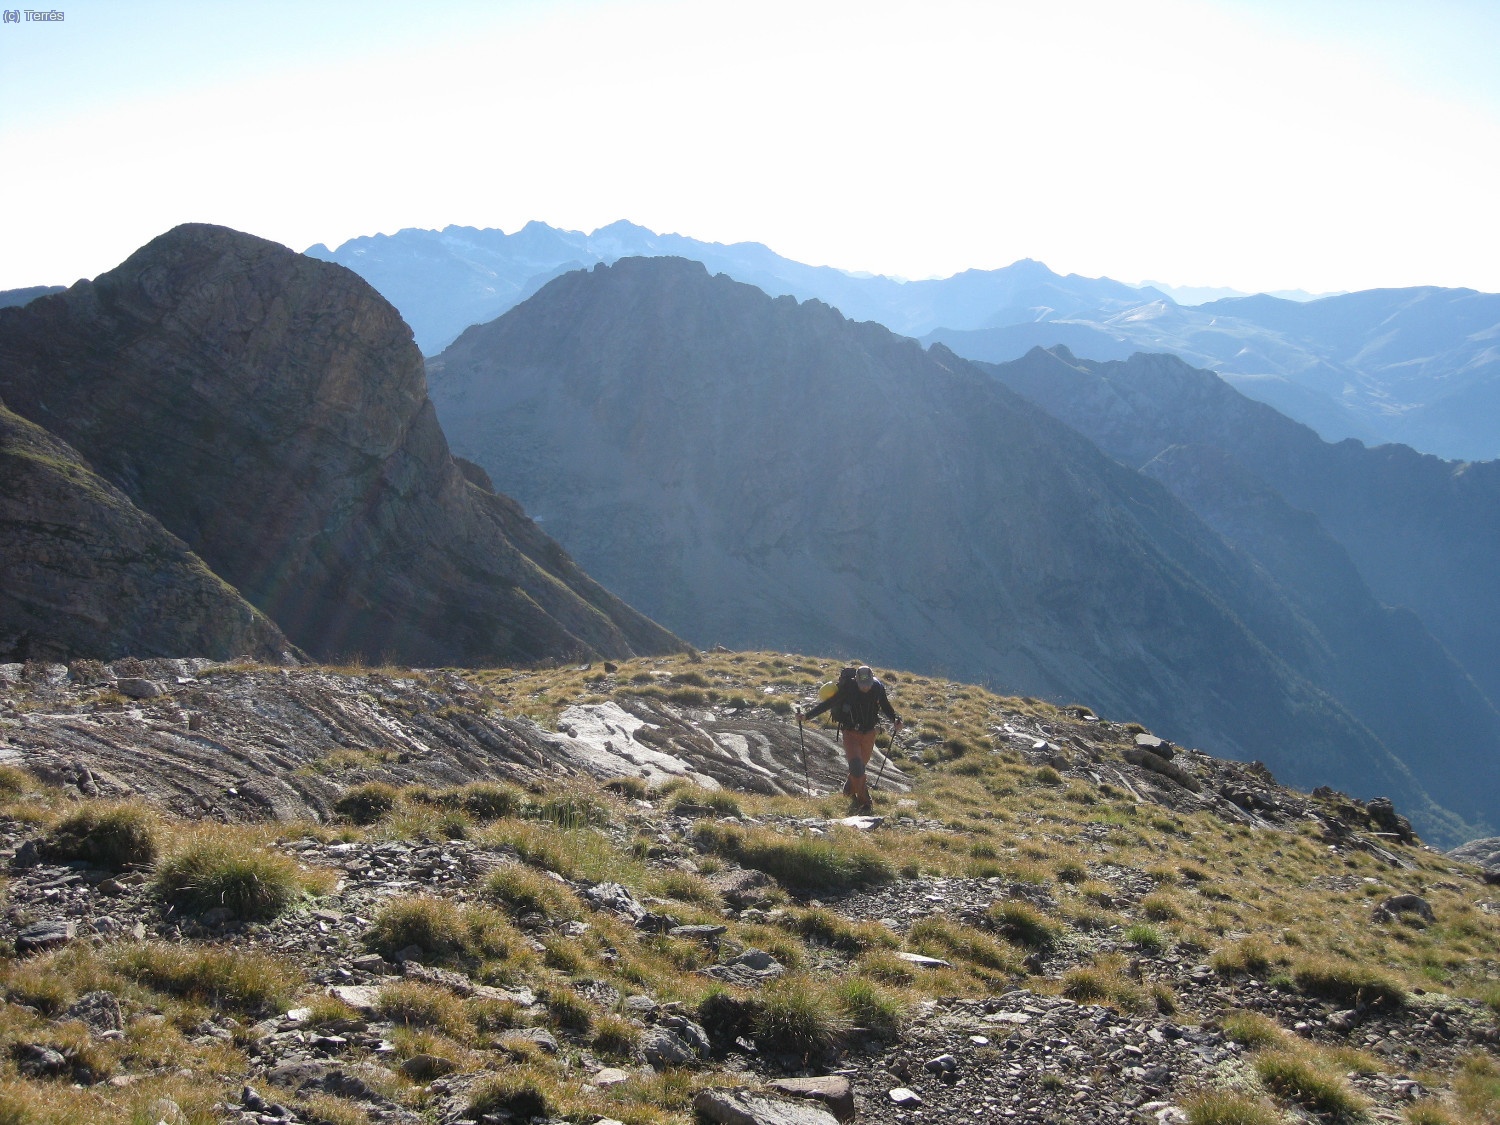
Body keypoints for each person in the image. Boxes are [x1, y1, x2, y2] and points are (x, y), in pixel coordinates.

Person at [797, 664, 902, 811]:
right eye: (862, 684)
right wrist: (807, 716)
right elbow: (829, 704)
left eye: (868, 684)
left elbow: (885, 706)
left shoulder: (878, 688)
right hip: (851, 732)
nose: (865, 687)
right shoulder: (848, 688)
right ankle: (865, 803)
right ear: (856, 680)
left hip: (869, 734)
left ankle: (848, 791)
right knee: (857, 767)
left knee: (859, 768)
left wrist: (896, 719)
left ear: (872, 680)